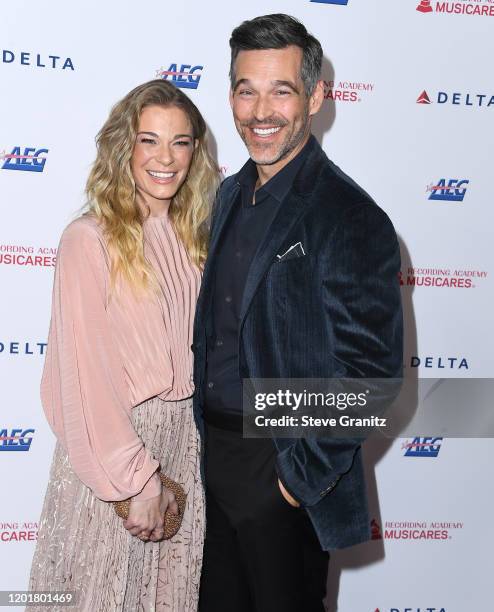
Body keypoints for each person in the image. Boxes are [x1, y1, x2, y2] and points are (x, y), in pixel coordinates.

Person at [192, 14, 403, 612]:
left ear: (314, 96)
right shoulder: (229, 193)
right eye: (246, 89)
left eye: (281, 90)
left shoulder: (349, 215)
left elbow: (371, 377)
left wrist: (292, 480)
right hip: (214, 460)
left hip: (280, 466)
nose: (261, 110)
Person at [28, 79, 218, 611]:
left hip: (189, 445)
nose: (165, 157)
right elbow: (84, 374)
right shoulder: (88, 240)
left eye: (180, 142)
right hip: (120, 453)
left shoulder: (200, 239)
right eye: (148, 140)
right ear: (123, 148)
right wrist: (136, 477)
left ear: (195, 152)